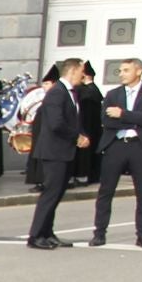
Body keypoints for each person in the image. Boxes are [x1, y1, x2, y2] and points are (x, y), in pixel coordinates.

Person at [91, 57, 142, 249]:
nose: (121, 74)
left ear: (138, 71)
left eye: (126, 70)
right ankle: (99, 233)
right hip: (116, 145)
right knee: (106, 191)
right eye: (120, 70)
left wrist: (123, 114)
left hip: (140, 146)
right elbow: (106, 120)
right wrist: (137, 120)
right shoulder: (112, 94)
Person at [27, 59, 88, 249]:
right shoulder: (57, 93)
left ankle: (47, 232)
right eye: (81, 71)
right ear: (72, 71)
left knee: (57, 193)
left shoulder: (70, 93)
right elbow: (56, 123)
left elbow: (72, 119)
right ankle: (35, 235)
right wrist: (76, 137)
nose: (83, 75)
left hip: (64, 151)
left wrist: (82, 134)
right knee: (50, 194)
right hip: (54, 152)